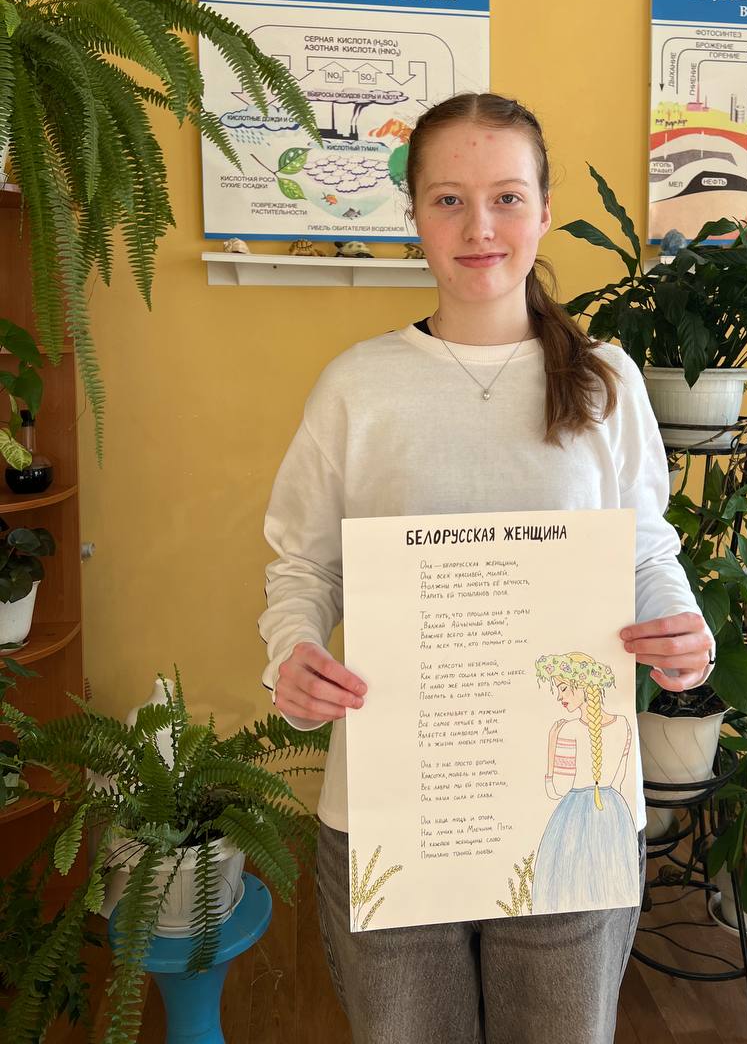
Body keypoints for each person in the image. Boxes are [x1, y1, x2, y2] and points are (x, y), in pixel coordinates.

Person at [258, 91, 715, 1044]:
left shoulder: (607, 380)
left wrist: (681, 629)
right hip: (393, 804)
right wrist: (292, 653)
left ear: (544, 212)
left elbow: (643, 544)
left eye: (507, 197)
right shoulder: (358, 387)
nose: (479, 228)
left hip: (571, 809)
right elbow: (302, 562)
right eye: (449, 200)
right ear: (414, 214)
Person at [532, 651, 637, 915]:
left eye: (563, 688)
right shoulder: (624, 724)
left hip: (574, 816)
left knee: (569, 883)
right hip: (615, 812)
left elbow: (556, 789)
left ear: (581, 686)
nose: (560, 697)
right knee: (608, 882)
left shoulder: (568, 730)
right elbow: (619, 780)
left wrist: (551, 746)